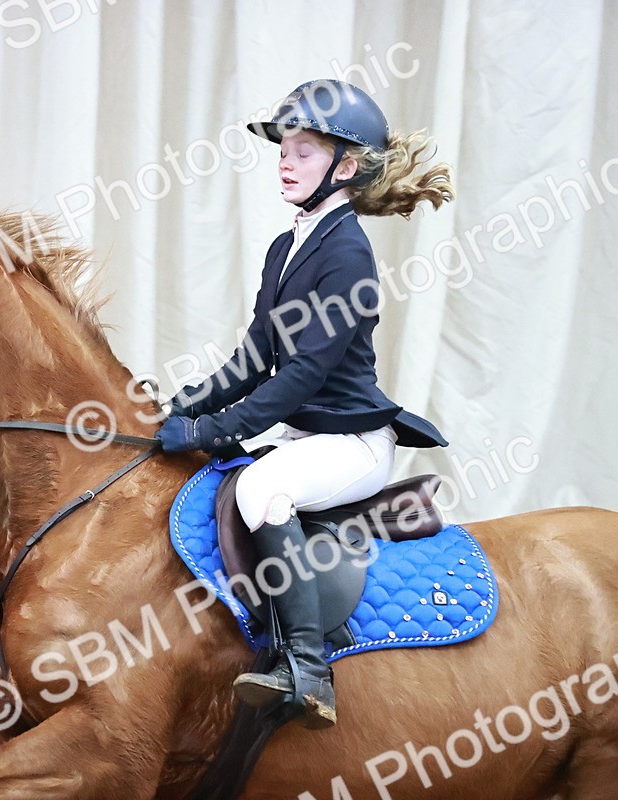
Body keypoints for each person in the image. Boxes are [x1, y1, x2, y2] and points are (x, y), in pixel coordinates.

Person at [156, 79, 454, 728]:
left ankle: (308, 669)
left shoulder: (347, 252)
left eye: (304, 152)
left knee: (262, 489)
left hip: (352, 444)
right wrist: (175, 407)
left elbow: (300, 375)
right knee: (225, 480)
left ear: (345, 168)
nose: (286, 162)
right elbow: (253, 357)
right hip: (308, 438)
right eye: (283, 150)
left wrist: (212, 427)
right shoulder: (286, 246)